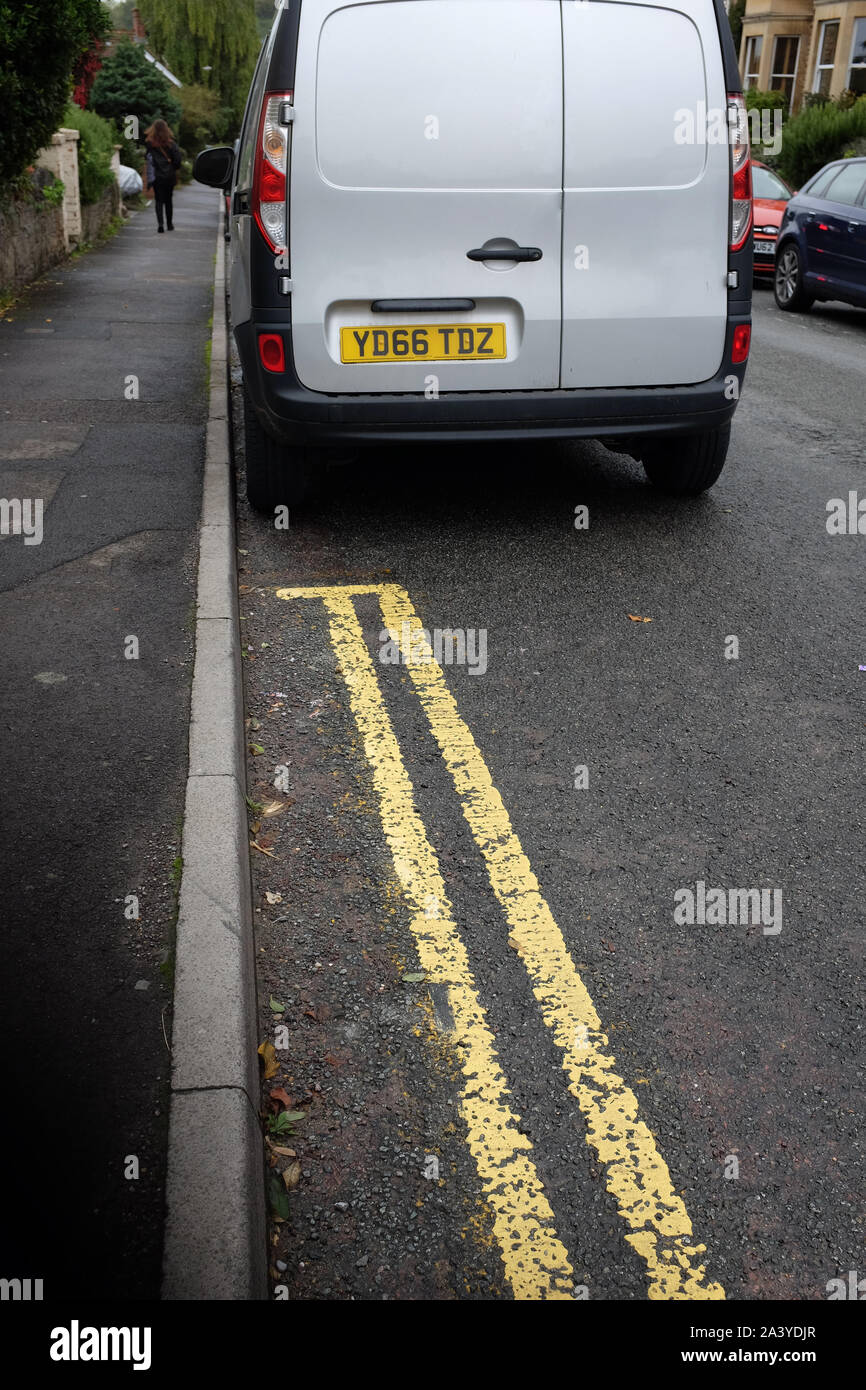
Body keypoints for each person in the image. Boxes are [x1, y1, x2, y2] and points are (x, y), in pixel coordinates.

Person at [144, 120, 182, 233]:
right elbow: (178, 161)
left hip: (157, 176)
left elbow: (147, 158)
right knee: (168, 200)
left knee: (159, 200)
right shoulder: (171, 144)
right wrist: (172, 168)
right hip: (169, 176)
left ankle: (160, 224)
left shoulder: (150, 144)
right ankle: (169, 224)